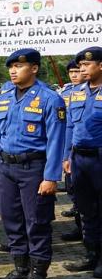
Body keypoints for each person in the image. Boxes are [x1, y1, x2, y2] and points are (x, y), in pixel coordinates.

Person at [0, 48, 66, 279]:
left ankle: (38, 274)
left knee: (37, 222)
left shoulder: (50, 98)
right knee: (11, 220)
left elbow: (56, 140)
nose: (13, 70)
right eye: (11, 66)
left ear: (33, 68)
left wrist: (51, 177)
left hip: (34, 168)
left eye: (19, 66)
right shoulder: (3, 97)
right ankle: (20, 269)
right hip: (5, 168)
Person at [62, 46, 102, 278]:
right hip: (79, 158)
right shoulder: (77, 92)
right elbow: (69, 126)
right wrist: (67, 156)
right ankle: (91, 255)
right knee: (86, 211)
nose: (82, 69)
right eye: (80, 65)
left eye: (87, 65)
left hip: (99, 157)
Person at [57, 59, 86, 242]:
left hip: (92, 151)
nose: (75, 74)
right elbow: (66, 125)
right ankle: (80, 228)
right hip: (72, 151)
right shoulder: (66, 92)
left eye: (78, 70)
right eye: (72, 72)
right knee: (74, 191)